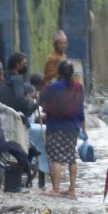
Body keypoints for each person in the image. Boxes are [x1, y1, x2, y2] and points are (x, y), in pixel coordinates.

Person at [40, 60, 86, 198]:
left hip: (57, 126)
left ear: (59, 72)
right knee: (71, 157)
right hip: (73, 127)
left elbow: (43, 98)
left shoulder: (54, 87)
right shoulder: (79, 87)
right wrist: (84, 130)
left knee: (56, 158)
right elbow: (81, 109)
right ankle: (72, 189)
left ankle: (56, 189)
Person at [0, 52, 36, 119]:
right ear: (17, 64)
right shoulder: (17, 81)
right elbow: (21, 102)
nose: (26, 66)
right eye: (24, 63)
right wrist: (33, 103)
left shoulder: (4, 79)